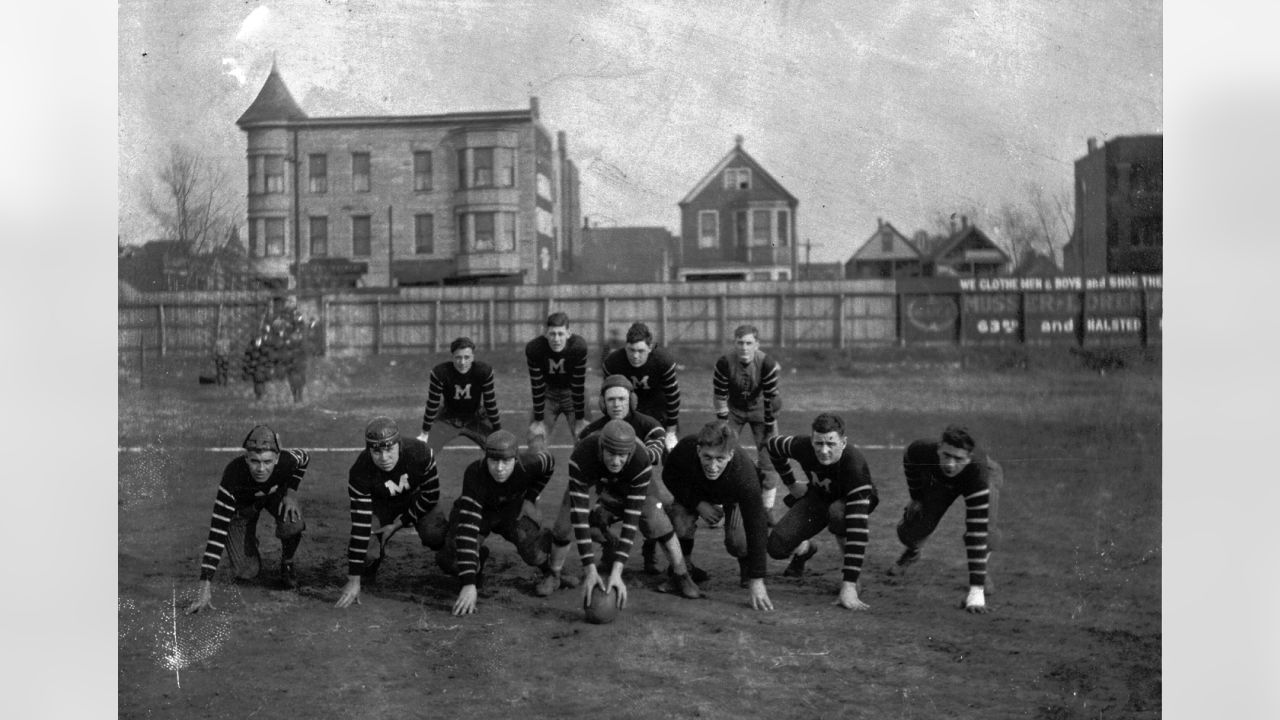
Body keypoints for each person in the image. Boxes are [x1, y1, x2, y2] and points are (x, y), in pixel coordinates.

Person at [539, 420, 700, 607]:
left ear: (630, 452)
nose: (616, 461)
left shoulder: (640, 461)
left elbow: (630, 522)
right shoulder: (581, 457)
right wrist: (590, 570)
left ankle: (681, 575)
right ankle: (554, 573)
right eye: (611, 454)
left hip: (630, 484)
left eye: (622, 455)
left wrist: (617, 572)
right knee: (564, 524)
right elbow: (579, 517)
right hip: (596, 482)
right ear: (601, 448)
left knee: (656, 522)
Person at [186, 425, 309, 614]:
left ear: (277, 458)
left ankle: (287, 562)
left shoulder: (287, 460)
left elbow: (304, 458)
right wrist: (204, 586)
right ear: (246, 458)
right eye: (255, 461)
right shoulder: (232, 478)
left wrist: (291, 492)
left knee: (293, 523)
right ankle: (247, 540)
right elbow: (217, 532)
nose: (261, 468)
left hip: (272, 497)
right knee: (247, 572)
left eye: (267, 462)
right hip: (242, 511)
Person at [764, 413, 878, 611]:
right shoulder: (803, 445)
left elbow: (858, 531)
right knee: (776, 547)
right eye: (818, 443)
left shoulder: (855, 467)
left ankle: (851, 579)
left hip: (850, 502)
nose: (824, 450)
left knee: (838, 514)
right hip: (819, 496)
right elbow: (773, 445)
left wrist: (849, 586)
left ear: (843, 442)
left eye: (831, 444)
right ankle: (805, 549)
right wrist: (790, 483)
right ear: (812, 440)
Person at [437, 430, 556, 616]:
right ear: (486, 458)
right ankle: (478, 558)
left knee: (535, 553)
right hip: (480, 513)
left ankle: (550, 571)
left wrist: (530, 498)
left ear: (516, 459)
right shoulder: (475, 473)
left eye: (506, 462)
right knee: (450, 561)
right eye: (494, 461)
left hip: (510, 511)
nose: (500, 468)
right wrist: (469, 584)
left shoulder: (529, 464)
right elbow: (468, 529)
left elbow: (549, 463)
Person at [886, 425, 1002, 614]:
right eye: (946, 455)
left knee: (986, 533)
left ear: (969, 457)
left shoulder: (979, 474)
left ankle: (981, 573)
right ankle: (913, 552)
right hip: (944, 482)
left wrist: (976, 592)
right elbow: (910, 460)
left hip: (980, 476)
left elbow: (976, 530)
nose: (950, 464)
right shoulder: (922, 450)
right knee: (912, 530)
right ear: (939, 448)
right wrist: (916, 497)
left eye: (958, 458)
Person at [662, 421, 775, 611]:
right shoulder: (686, 448)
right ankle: (685, 567)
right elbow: (669, 476)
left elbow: (757, 524)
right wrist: (697, 503)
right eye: (707, 457)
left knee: (738, 541)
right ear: (698, 450)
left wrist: (757, 579)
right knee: (679, 518)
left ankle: (746, 566)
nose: (713, 466)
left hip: (733, 496)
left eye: (720, 459)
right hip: (698, 492)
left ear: (731, 455)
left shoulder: (745, 475)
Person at [336, 417, 446, 608]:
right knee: (367, 554)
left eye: (389, 449)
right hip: (381, 505)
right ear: (369, 449)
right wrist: (354, 580)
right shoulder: (359, 472)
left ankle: (453, 562)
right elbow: (361, 526)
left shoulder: (420, 452)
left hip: (415, 497)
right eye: (376, 451)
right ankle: (373, 563)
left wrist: (398, 524)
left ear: (399, 445)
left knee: (436, 534)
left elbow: (431, 495)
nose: (384, 458)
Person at [578, 374, 671, 575]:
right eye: (611, 400)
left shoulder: (649, 424)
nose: (617, 404)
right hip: (609, 493)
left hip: (643, 490)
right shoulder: (591, 432)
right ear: (603, 403)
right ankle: (610, 545)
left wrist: (631, 445)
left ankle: (650, 547)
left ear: (632, 400)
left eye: (622, 399)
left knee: (656, 520)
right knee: (585, 518)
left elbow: (654, 455)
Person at [712, 324, 783, 514]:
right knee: (720, 448)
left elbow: (770, 398)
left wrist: (769, 427)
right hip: (734, 409)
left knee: (770, 454)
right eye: (740, 342)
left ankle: (766, 508)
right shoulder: (724, 363)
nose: (744, 347)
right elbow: (719, 395)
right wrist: (723, 424)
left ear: (757, 344)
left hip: (760, 409)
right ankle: (718, 504)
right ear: (734, 343)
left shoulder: (766, 363)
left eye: (749, 343)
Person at [600, 322, 681, 450]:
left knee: (672, 453)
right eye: (631, 350)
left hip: (658, 406)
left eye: (640, 351)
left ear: (650, 348)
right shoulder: (613, 363)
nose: (635, 356)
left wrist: (671, 432)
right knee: (620, 448)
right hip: (629, 408)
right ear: (625, 347)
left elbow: (673, 397)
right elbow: (606, 398)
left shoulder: (663, 361)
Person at [417, 336, 502, 454]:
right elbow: (433, 403)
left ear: (473, 357)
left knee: (502, 450)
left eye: (467, 357)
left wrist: (498, 430)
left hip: (476, 417)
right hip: (448, 419)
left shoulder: (483, 371)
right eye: (458, 357)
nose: (462, 362)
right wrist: (425, 432)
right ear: (452, 357)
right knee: (424, 453)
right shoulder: (441, 373)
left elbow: (490, 402)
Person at [525, 312, 589, 452]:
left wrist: (580, 420)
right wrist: (538, 420)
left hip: (572, 393)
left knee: (585, 440)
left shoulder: (578, 347)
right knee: (535, 440)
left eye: (560, 334)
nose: (556, 339)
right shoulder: (535, 349)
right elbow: (536, 384)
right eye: (552, 334)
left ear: (568, 333)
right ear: (545, 334)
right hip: (548, 394)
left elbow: (578, 384)